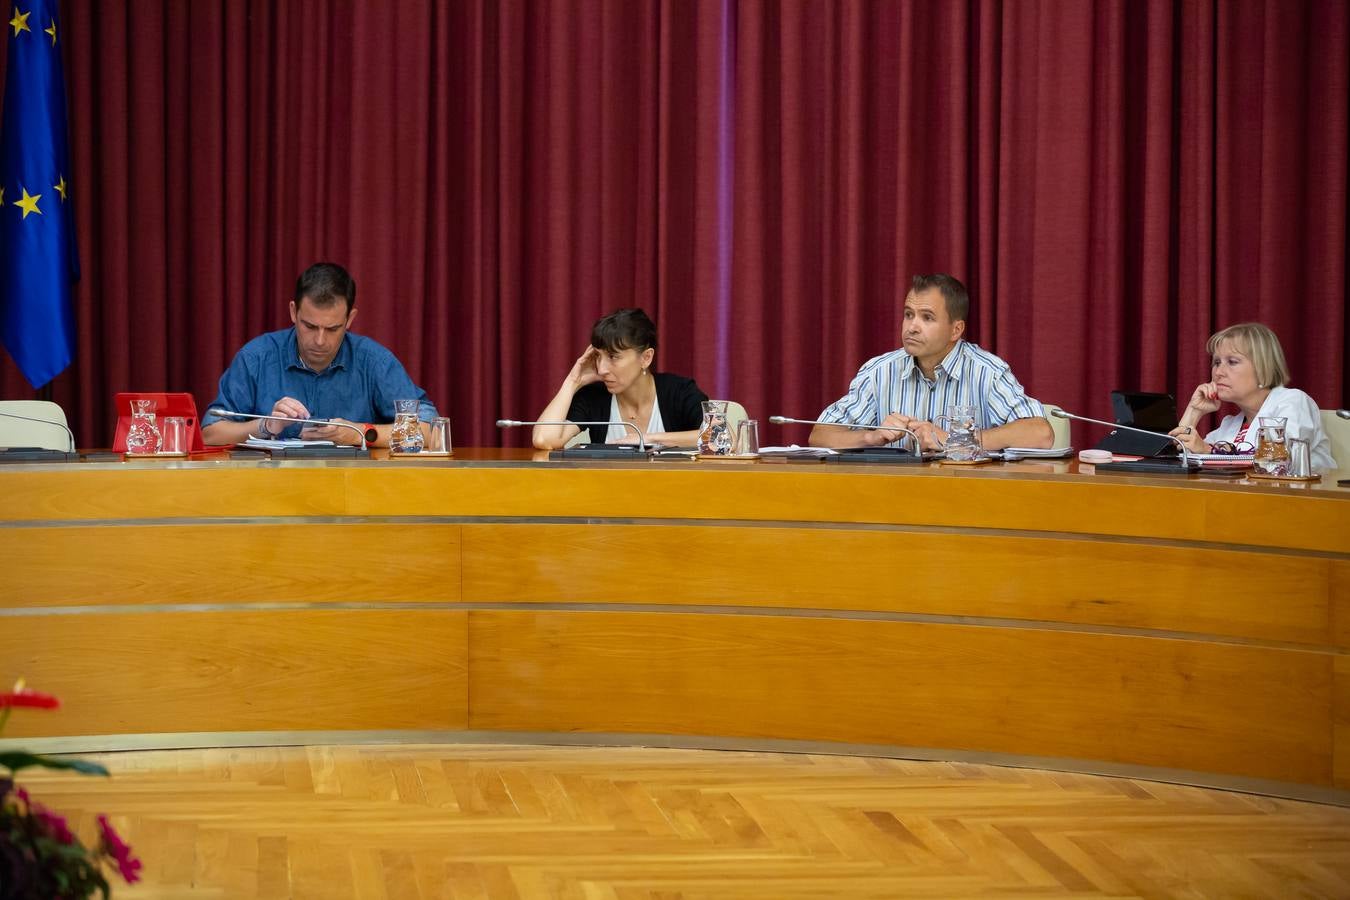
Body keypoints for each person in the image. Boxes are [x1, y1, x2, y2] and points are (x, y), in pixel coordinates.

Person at [201, 262, 436, 447]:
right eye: (310, 327)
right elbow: (210, 433)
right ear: (293, 312)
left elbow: (430, 430)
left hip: (354, 495)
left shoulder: (374, 362)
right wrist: (266, 426)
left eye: (333, 329)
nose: (320, 341)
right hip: (270, 495)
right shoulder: (256, 358)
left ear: (350, 319)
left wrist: (360, 433)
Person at [809, 274, 1053, 451]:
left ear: (955, 329)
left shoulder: (986, 372)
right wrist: (872, 437)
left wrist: (956, 440)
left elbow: (1040, 433)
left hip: (968, 502)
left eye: (927, 318)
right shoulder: (879, 372)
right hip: (892, 502)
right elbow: (821, 435)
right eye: (908, 314)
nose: (912, 327)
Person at [532, 308, 708, 450]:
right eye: (598, 357)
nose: (601, 369)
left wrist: (646, 439)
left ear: (646, 358)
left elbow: (718, 437)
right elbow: (543, 440)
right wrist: (572, 381)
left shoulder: (679, 391)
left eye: (613, 357)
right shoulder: (594, 397)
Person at [1169, 322, 1336, 472]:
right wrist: (1194, 411)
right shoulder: (1230, 425)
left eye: (1232, 362)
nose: (1218, 372)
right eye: (1217, 362)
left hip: (1302, 502)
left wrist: (1209, 451)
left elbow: (1277, 462)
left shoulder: (1294, 401)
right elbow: (1179, 460)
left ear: (1262, 368)